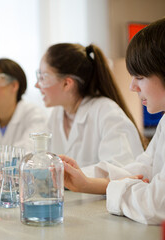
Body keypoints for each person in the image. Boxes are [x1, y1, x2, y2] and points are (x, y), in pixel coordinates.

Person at [61, 17, 165, 225]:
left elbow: (156, 204)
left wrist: (117, 189)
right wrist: (85, 182)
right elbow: (143, 169)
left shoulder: (106, 111)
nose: (132, 87)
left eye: (141, 76)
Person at [35, 42, 146, 175]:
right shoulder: (57, 114)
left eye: (43, 77)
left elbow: (123, 172)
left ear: (66, 83)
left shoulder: (106, 112)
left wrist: (71, 176)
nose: (37, 85)